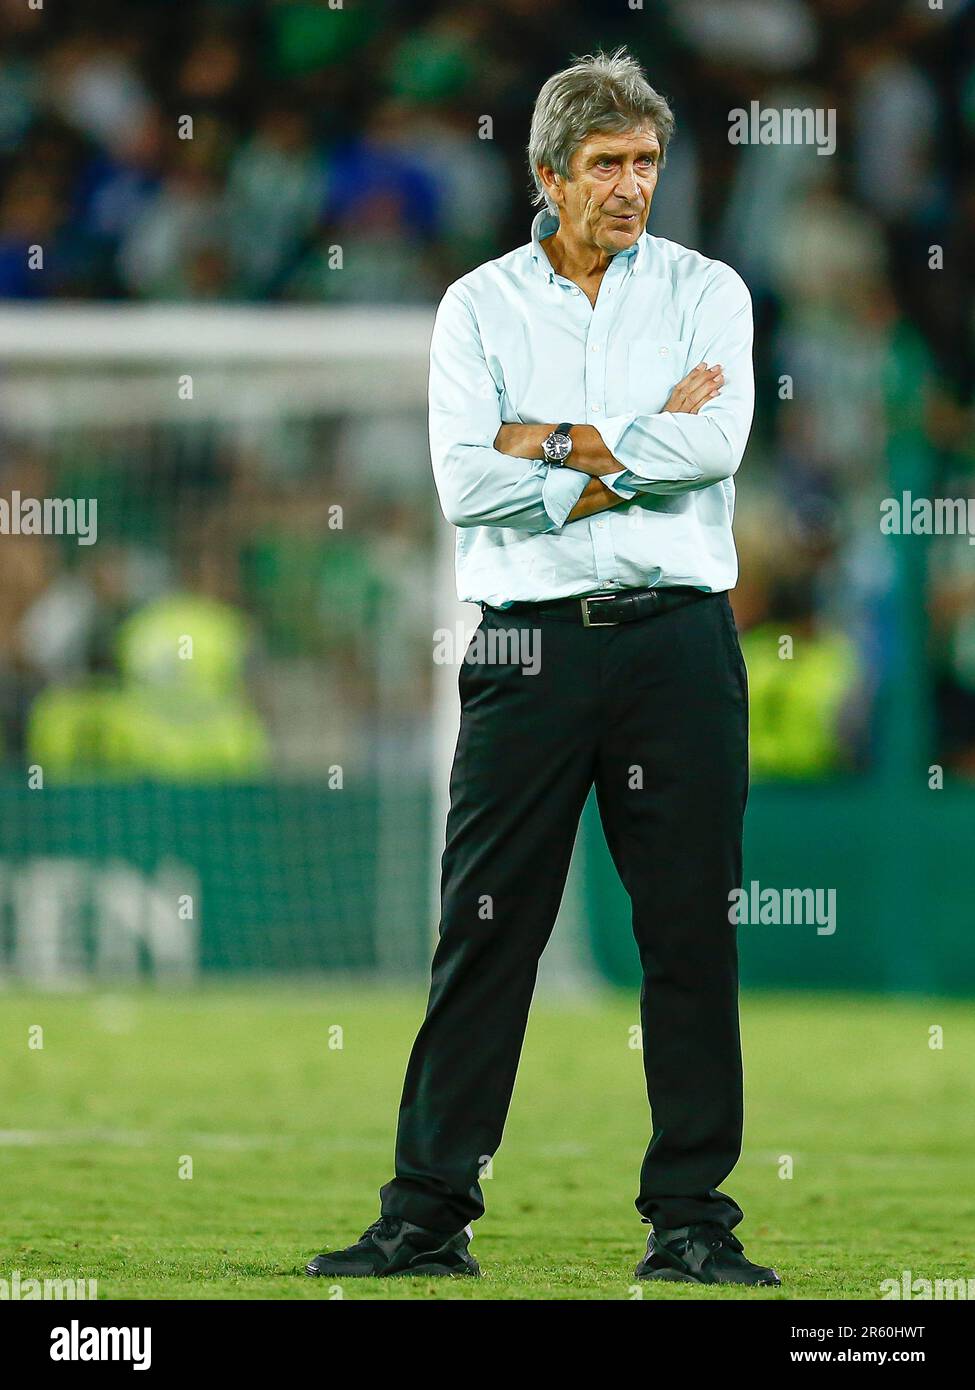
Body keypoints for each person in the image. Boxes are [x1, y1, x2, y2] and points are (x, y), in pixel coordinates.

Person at [307, 48, 779, 1288]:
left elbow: (718, 440)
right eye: (608, 165)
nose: (632, 188)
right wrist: (634, 451)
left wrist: (550, 444)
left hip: (679, 640)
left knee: (690, 936)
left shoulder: (707, 289)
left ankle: (690, 1224)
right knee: (485, 930)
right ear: (547, 173)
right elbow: (466, 480)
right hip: (525, 648)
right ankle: (426, 1214)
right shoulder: (478, 305)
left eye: (647, 164)